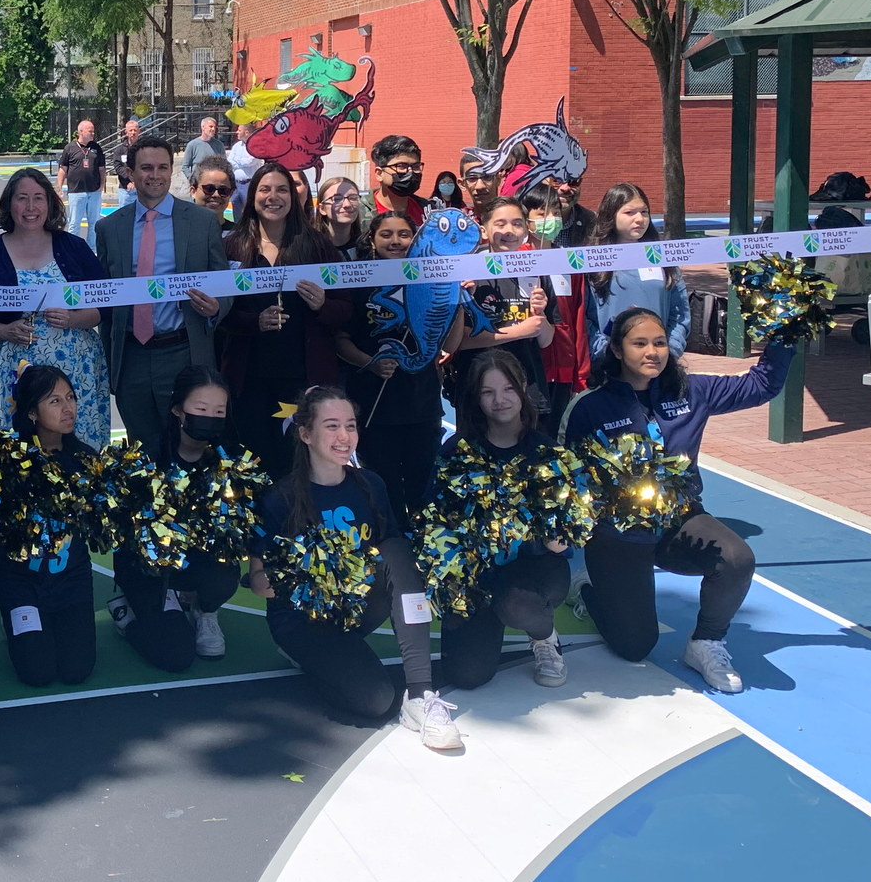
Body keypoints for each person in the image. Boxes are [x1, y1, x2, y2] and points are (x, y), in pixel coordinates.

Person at [565, 308, 795, 692]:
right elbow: (572, 478)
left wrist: (786, 327)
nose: (652, 352)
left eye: (659, 343)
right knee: (635, 646)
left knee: (737, 558)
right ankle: (590, 587)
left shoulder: (692, 391)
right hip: (619, 536)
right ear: (618, 351)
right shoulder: (591, 407)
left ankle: (705, 641)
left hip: (680, 522)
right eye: (639, 343)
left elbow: (763, 386)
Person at [248, 387, 458, 748]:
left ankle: (422, 695)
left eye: (350, 425)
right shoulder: (279, 498)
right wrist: (293, 573)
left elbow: (395, 561)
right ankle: (311, 659)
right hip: (303, 620)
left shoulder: (371, 485)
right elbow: (257, 582)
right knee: (376, 701)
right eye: (331, 426)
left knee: (396, 550)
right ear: (305, 434)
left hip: (355, 609)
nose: (344, 436)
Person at [436, 352, 573, 690]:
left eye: (508, 389)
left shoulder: (546, 451)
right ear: (476, 398)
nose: (499, 400)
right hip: (476, 573)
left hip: (534, 568)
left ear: (523, 389)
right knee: (467, 675)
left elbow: (561, 542)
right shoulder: (456, 452)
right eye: (487, 392)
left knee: (516, 602)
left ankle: (544, 637)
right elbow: (436, 526)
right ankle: (486, 621)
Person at [0, 168, 113, 448]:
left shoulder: (74, 249)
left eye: (39, 198)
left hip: (73, 370)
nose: (31, 207)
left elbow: (105, 306)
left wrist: (73, 319)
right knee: (15, 454)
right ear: (9, 204)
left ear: (50, 204)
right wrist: (4, 330)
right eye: (22, 198)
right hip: (10, 372)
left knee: (76, 453)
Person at [92, 136, 226, 453]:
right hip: (131, 356)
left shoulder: (202, 222)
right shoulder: (109, 229)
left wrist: (216, 307)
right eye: (147, 168)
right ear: (131, 173)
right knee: (143, 450)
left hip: (183, 352)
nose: (155, 175)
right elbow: (107, 300)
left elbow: (224, 283)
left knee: (190, 447)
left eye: (163, 167)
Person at [220, 162, 353, 479]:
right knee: (253, 465)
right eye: (265, 189)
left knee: (297, 466)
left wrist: (322, 304)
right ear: (252, 196)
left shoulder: (318, 247)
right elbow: (219, 315)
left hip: (303, 382)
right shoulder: (232, 246)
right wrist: (255, 322)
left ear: (294, 198)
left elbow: (347, 310)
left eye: (282, 189)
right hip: (249, 382)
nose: (273, 197)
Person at [105, 366, 243, 667]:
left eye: (218, 411)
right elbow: (121, 528)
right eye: (201, 408)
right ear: (178, 410)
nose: (210, 417)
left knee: (225, 569)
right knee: (176, 656)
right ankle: (128, 617)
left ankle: (205, 611)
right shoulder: (147, 458)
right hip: (150, 568)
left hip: (199, 562)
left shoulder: (231, 460)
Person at [337, 212, 459, 517]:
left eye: (404, 234)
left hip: (422, 406)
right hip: (374, 409)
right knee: (383, 491)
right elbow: (340, 340)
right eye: (386, 235)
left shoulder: (433, 281)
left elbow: (450, 345)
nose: (395, 241)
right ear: (373, 240)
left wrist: (457, 303)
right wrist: (371, 364)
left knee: (422, 491)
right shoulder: (358, 280)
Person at [0, 366, 99, 686]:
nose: (68, 408)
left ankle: (54, 623)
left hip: (71, 579)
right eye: (54, 401)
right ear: (31, 413)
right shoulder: (7, 461)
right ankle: (18, 621)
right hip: (21, 582)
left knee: (76, 671)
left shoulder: (86, 459)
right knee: (38, 672)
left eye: (70, 398)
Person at [457, 197, 557, 420]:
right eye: (500, 224)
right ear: (484, 230)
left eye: (517, 223)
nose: (509, 231)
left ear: (526, 230)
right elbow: (459, 341)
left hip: (528, 388)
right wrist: (519, 331)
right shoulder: (468, 271)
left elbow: (546, 339)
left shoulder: (535, 269)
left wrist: (540, 317)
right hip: (478, 390)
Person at [583, 182, 689, 359]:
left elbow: (680, 314)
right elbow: (582, 318)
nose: (639, 219)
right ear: (611, 215)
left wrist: (668, 351)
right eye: (629, 212)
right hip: (607, 364)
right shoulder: (592, 260)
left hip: (657, 363)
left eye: (644, 212)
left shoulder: (661, 258)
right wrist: (606, 353)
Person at [522, 182, 590, 435]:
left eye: (555, 212)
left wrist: (580, 375)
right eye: (541, 214)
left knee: (555, 444)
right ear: (526, 219)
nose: (550, 219)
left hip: (563, 371)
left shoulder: (569, 262)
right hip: (528, 370)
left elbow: (578, 319)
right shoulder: (515, 261)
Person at [57, 120, 107, 249]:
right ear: (81, 132)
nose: (93, 134)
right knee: (74, 223)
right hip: (76, 191)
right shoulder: (70, 148)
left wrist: (102, 185)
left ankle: (92, 249)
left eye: (93, 131)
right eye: (90, 131)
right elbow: (63, 169)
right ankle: (72, 249)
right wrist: (60, 187)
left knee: (94, 223)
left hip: (94, 191)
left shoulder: (96, 148)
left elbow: (102, 168)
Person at [361, 135, 426, 226]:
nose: (410, 172)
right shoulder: (357, 213)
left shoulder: (429, 212)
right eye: (401, 166)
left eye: (416, 166)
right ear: (379, 174)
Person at [315, 176, 362, 256]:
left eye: (353, 198)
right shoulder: (310, 248)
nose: (347, 205)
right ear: (322, 208)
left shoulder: (367, 247)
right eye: (337, 199)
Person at [189, 155, 237, 229]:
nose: (216, 195)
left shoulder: (238, 236)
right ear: (193, 191)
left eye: (223, 190)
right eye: (209, 189)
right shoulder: (177, 231)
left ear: (230, 194)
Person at [458, 149, 505, 213]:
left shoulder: (513, 219)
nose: (480, 186)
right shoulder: (460, 220)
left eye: (487, 177)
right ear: (462, 184)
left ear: (498, 179)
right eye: (472, 178)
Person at [180, 116, 221, 188]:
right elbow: (185, 166)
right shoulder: (192, 145)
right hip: (197, 185)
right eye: (210, 126)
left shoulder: (219, 145)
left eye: (215, 127)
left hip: (214, 185)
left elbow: (223, 166)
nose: (213, 129)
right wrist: (192, 180)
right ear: (203, 127)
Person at [111, 117, 142, 203]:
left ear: (139, 131)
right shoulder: (119, 150)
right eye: (131, 130)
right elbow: (118, 167)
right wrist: (130, 181)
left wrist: (136, 182)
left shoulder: (144, 148)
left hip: (142, 190)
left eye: (135, 130)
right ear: (126, 132)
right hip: (125, 190)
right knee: (125, 215)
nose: (133, 133)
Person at [228, 120, 264, 194]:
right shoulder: (236, 146)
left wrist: (236, 160)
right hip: (235, 185)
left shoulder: (256, 146)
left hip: (249, 184)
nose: (236, 132)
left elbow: (250, 162)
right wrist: (242, 162)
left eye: (239, 130)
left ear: (246, 132)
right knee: (232, 204)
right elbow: (229, 161)